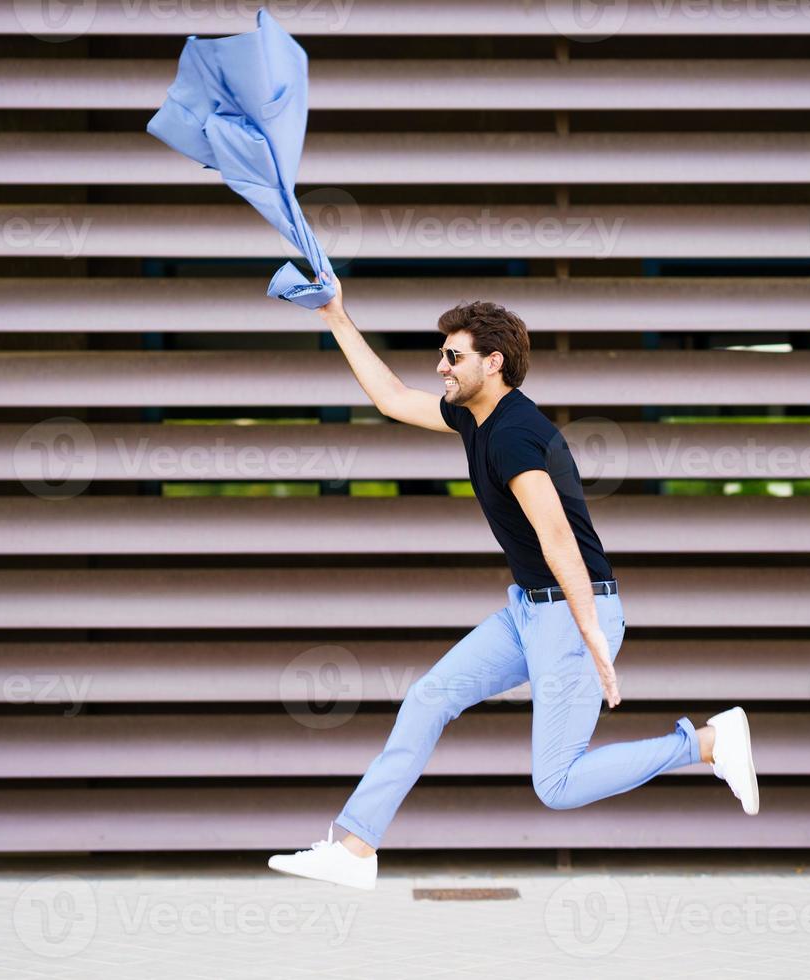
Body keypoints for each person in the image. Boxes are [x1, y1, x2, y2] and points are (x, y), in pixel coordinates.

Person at [268, 274, 758, 890]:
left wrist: (593, 638)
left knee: (556, 784)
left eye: (453, 355)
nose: (440, 366)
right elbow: (392, 397)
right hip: (530, 611)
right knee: (429, 698)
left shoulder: (514, 435)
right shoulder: (476, 417)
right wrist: (335, 315)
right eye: (441, 354)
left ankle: (708, 743)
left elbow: (558, 540)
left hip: (571, 612)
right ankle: (355, 849)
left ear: (492, 362)